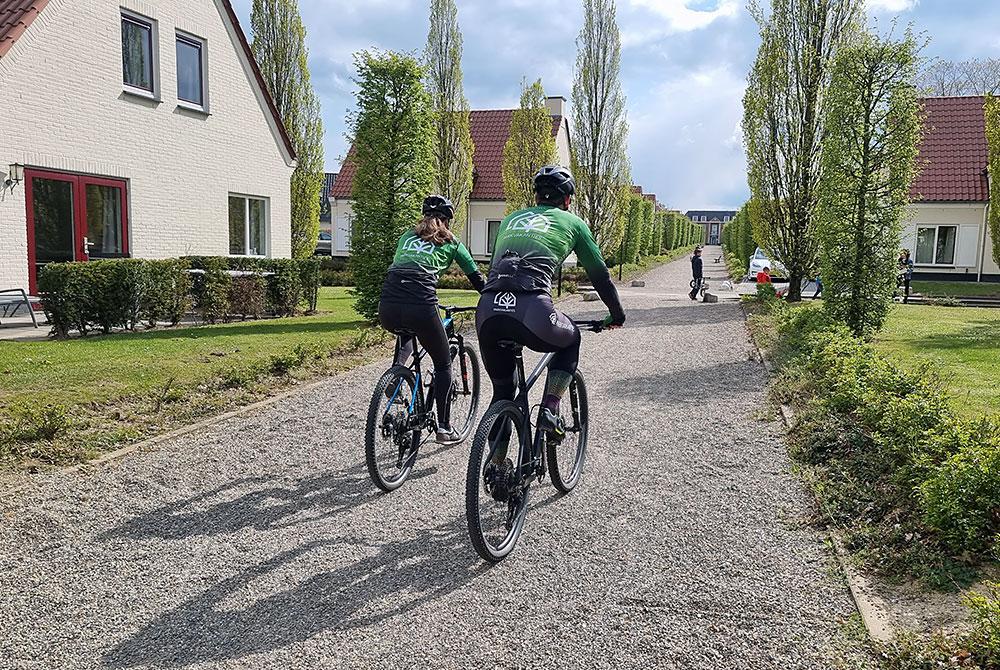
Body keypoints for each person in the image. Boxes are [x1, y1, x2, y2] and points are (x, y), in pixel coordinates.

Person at [477, 165, 625, 440]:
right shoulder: (574, 223)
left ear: (536, 197)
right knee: (570, 339)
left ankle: (497, 469)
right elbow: (599, 275)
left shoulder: (510, 219)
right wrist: (616, 314)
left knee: (502, 394)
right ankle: (549, 408)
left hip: (488, 310)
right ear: (567, 200)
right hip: (532, 309)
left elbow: (494, 269)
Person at [378, 195, 486, 444]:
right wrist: (492, 299)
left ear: (424, 216)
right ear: (447, 220)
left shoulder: (406, 236)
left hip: (389, 305)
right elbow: (477, 279)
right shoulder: (452, 242)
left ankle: (397, 373)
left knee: (406, 332)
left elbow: (403, 267)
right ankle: (445, 428)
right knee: (443, 363)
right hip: (421, 305)